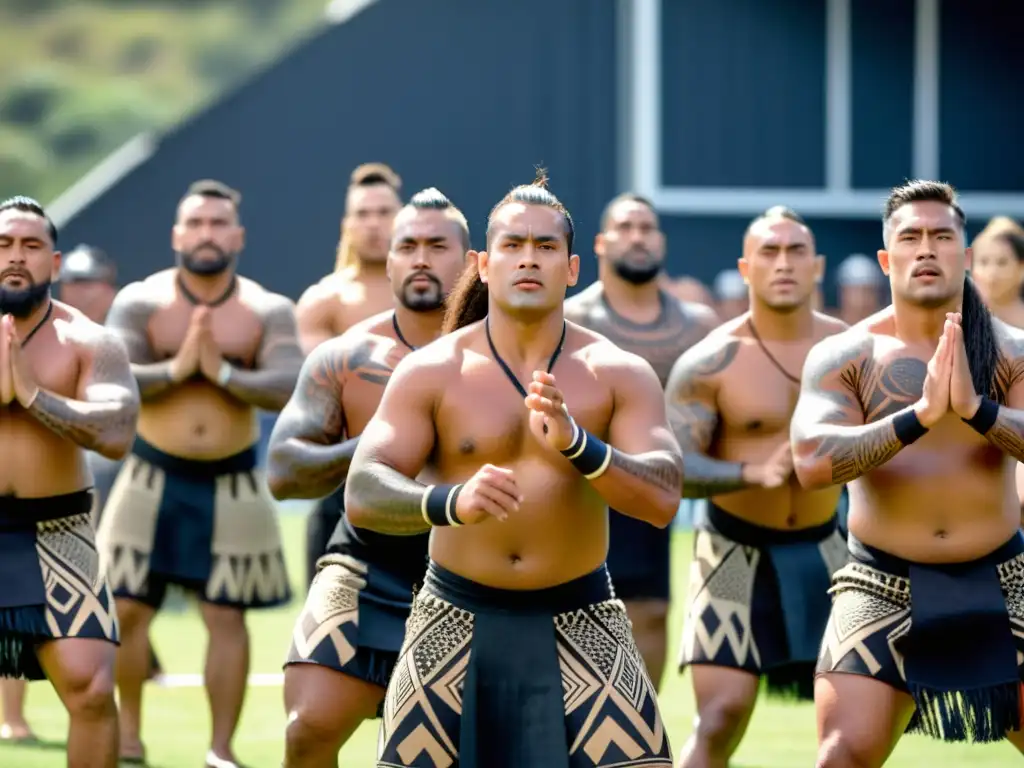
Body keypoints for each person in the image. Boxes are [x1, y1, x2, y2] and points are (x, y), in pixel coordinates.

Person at [344, 172, 680, 767]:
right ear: (483, 262)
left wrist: (581, 446)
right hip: (451, 615)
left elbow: (662, 498)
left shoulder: (617, 372)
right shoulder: (433, 370)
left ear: (573, 268)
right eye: (513, 245)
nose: (530, 259)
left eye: (546, 247)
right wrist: (448, 502)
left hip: (583, 616)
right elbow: (364, 490)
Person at [791, 180, 1024, 766]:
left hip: (1004, 573)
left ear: (964, 256)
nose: (926, 249)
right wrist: (916, 418)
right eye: (910, 237)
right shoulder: (847, 354)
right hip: (879, 583)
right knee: (839, 757)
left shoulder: (1012, 351)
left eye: (942, 236)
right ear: (884, 258)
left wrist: (977, 411)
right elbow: (813, 461)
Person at [96, 179, 302, 767]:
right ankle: (128, 737)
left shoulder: (266, 308)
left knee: (226, 615)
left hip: (232, 480)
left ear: (237, 235)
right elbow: (115, 378)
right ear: (176, 234)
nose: (206, 234)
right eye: (196, 223)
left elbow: (290, 386)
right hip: (151, 475)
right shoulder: (141, 301)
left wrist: (226, 376)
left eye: (218, 224)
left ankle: (220, 749)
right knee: (128, 610)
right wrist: (180, 367)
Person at [266, 187, 469, 765]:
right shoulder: (346, 356)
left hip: (472, 569)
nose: (421, 258)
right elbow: (283, 471)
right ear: (390, 259)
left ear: (471, 260)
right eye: (408, 246)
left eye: (437, 245)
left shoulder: (501, 349)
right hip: (365, 562)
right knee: (306, 729)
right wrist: (380, 438)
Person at [665, 206, 848, 768]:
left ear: (817, 266)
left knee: (853, 730)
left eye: (796, 251)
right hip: (731, 553)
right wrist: (751, 473)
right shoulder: (709, 363)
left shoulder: (854, 350)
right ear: (746, 267)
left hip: (830, 550)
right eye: (769, 252)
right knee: (720, 720)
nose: (784, 263)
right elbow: (672, 470)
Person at [0, 196, 140, 768]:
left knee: (90, 689)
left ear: (54, 264)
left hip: (57, 531)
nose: (16, 257)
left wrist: (34, 395)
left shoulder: (90, 341)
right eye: (4, 245)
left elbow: (116, 432)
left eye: (31, 246)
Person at [564, 192, 718, 689]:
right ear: (601, 244)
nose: (637, 236)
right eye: (625, 227)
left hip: (655, 480)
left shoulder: (698, 326)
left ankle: (639, 718)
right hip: (581, 486)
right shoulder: (571, 319)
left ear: (661, 241)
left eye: (647, 227)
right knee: (573, 613)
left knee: (651, 611)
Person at [296, 163, 402, 588]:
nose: (374, 224)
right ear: (347, 224)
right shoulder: (323, 301)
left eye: (384, 212)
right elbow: (322, 396)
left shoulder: (439, 296)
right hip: (341, 482)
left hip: (425, 479)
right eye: (363, 214)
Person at [835, 254, 885, 325]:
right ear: (842, 294)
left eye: (867, 292)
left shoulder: (887, 330)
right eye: (855, 292)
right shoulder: (830, 329)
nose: (861, 300)